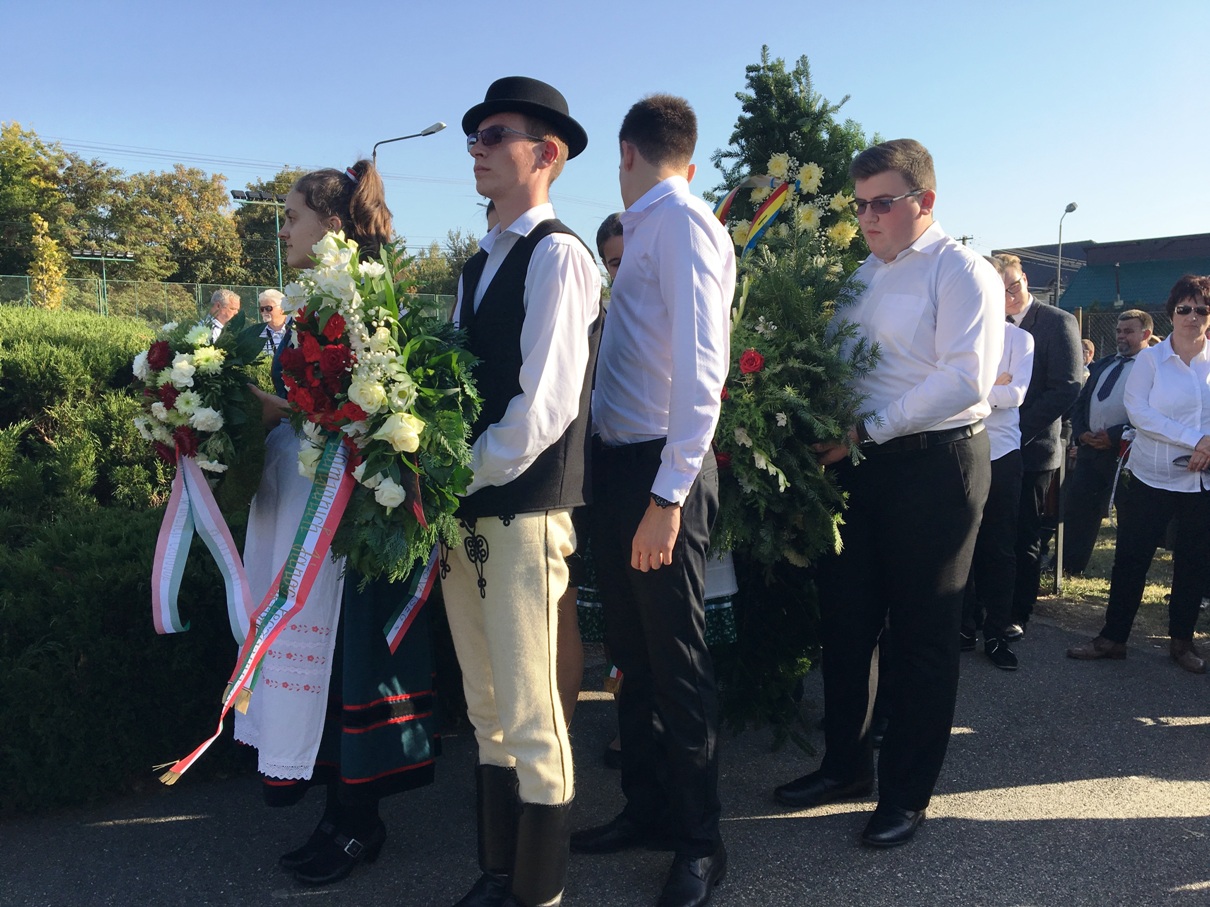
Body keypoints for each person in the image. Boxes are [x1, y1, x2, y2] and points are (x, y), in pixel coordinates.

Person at [772, 139, 1001, 849]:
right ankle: (846, 766)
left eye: (882, 203)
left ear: (924, 202)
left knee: (923, 636)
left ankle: (907, 792)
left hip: (934, 467)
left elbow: (966, 379)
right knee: (846, 623)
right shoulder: (858, 278)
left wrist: (867, 428)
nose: (867, 217)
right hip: (858, 466)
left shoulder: (963, 272)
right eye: (860, 204)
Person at [236, 160, 440, 887]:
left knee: (352, 666)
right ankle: (337, 815)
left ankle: (358, 823)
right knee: (324, 671)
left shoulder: (363, 299)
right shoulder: (322, 296)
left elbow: (372, 404)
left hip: (349, 523)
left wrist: (280, 408)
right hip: (313, 513)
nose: (283, 228)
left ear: (330, 223)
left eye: (292, 216)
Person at [570, 94, 734, 907]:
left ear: (625, 153)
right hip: (623, 469)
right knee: (633, 658)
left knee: (675, 660)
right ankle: (646, 808)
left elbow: (705, 369)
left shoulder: (682, 225)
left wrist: (668, 497)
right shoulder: (648, 229)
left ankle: (701, 843)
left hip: (660, 475)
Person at [441, 76, 601, 907]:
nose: (476, 145)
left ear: (546, 153)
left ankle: (538, 892)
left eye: (493, 133)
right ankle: (498, 872)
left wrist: (447, 472)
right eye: (473, 134)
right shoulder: (475, 266)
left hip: (523, 508)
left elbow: (544, 406)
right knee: (485, 705)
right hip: (466, 512)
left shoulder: (560, 255)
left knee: (535, 713)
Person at [1066, 276, 1210, 674]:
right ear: (1171, 313)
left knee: (1193, 564)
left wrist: (1208, 445)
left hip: (1201, 482)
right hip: (1150, 478)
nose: (1192, 316)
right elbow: (1142, 414)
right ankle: (1112, 638)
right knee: (1131, 560)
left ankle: (1182, 642)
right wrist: (1197, 440)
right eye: (1185, 308)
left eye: (1201, 309)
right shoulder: (1150, 360)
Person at [1000, 254, 1082, 639]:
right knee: (991, 532)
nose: (1008, 296)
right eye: (999, 290)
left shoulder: (1057, 322)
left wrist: (1017, 428)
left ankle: (1018, 611)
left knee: (1024, 534)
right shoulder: (990, 325)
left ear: (1026, 279)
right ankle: (988, 605)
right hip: (991, 447)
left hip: (1032, 449)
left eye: (1013, 286)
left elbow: (1067, 387)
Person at [961, 256, 1035, 670]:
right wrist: (991, 387)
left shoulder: (1018, 341)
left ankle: (997, 631)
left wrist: (971, 391)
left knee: (998, 547)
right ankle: (964, 626)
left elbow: (1016, 395)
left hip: (1002, 454)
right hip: (959, 450)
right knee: (960, 545)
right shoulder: (955, 332)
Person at [1061, 310, 1154, 575]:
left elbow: (1150, 410)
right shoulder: (1103, 364)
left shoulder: (1152, 368)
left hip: (1125, 454)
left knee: (1127, 516)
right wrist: (1081, 433)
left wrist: (1113, 436)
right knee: (1078, 509)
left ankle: (1125, 571)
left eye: (1128, 331)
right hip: (1090, 450)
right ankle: (1069, 564)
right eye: (1118, 330)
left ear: (1145, 334)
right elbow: (1081, 401)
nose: (1121, 336)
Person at [257, 289, 289, 354]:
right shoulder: (257, 335)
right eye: (262, 309)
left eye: (268, 308)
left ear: (282, 308)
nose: (264, 312)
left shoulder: (295, 330)